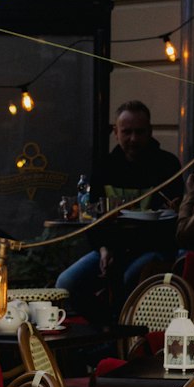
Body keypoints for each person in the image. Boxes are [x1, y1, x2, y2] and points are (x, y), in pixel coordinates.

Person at [55, 100, 184, 318]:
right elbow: (92, 216)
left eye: (139, 132)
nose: (133, 139)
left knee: (128, 279)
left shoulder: (166, 165)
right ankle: (102, 328)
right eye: (127, 132)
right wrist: (104, 248)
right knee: (66, 283)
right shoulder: (105, 166)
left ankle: (120, 336)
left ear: (150, 132)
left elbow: (172, 220)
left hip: (152, 249)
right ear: (116, 132)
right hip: (111, 248)